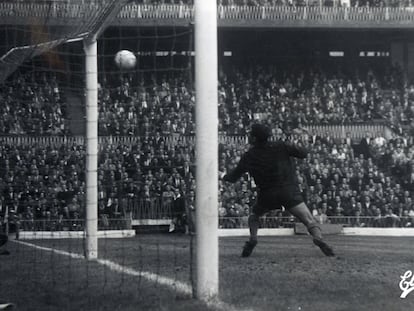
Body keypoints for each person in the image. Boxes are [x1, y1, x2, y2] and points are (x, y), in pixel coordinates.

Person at [223, 123, 335, 257]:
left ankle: (253, 238)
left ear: (254, 137)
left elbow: (232, 177)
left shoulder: (249, 156)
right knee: (309, 220)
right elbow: (303, 153)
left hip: (266, 195)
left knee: (254, 216)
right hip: (288, 192)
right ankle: (318, 238)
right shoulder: (280, 146)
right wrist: (302, 139)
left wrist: (221, 175)